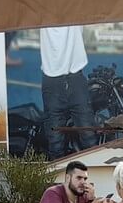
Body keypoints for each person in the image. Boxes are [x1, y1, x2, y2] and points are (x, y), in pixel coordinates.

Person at [40, 26, 98, 159]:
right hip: (53, 81)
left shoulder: (75, 12)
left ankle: (91, 171)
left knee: (89, 140)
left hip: (73, 78)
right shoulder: (43, 14)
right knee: (56, 145)